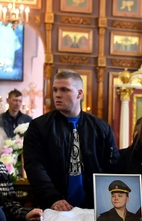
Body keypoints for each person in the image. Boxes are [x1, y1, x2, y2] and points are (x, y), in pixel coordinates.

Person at [23, 70, 119, 210]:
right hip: (54, 206)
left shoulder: (101, 128)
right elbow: (34, 166)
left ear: (79, 94)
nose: (57, 95)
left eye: (64, 90)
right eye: (55, 90)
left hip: (94, 207)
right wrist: (53, 199)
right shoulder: (39, 126)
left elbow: (113, 167)